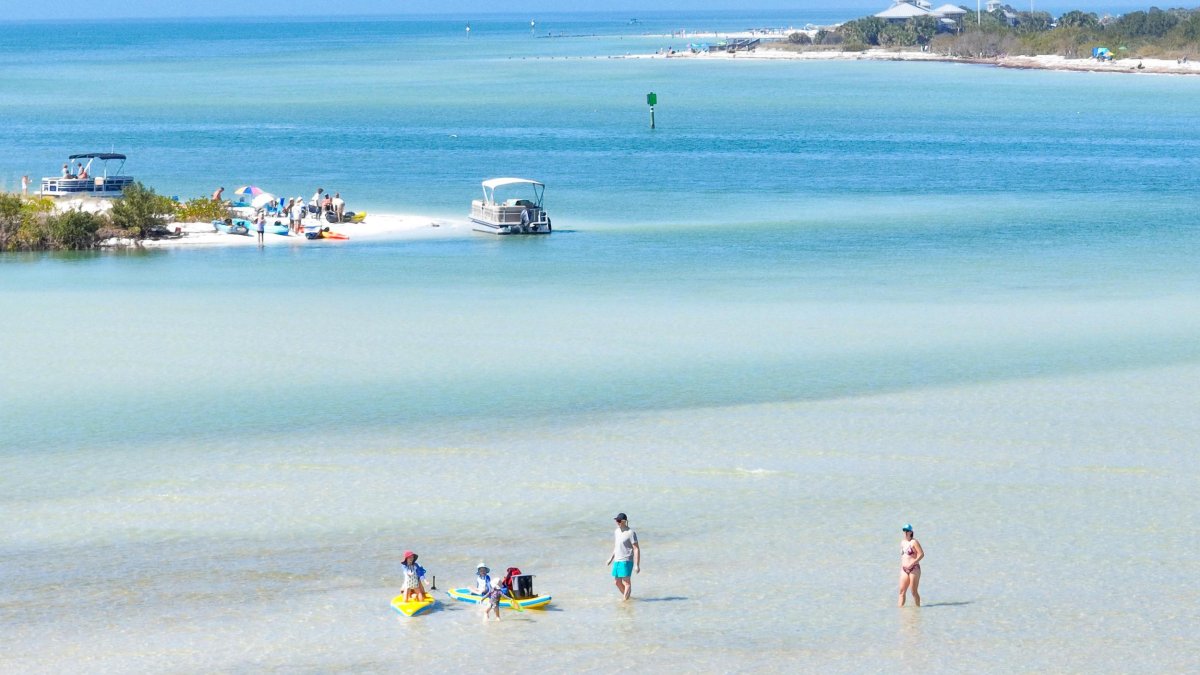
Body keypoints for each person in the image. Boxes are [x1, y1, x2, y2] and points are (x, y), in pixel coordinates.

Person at [605, 512, 640, 600]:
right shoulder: (616, 531)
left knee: (626, 582)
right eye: (616, 520)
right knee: (617, 582)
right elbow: (617, 546)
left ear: (624, 521)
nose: (617, 522)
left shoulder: (631, 533)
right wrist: (611, 558)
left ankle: (625, 601)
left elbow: (636, 549)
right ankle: (628, 598)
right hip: (617, 560)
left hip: (626, 560)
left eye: (619, 521)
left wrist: (637, 565)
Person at [898, 523, 924, 607]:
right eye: (904, 530)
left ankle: (918, 609)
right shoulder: (902, 542)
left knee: (913, 591)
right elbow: (904, 556)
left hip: (914, 568)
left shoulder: (914, 542)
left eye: (907, 531)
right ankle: (900, 611)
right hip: (904, 569)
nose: (905, 532)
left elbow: (921, 554)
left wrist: (912, 563)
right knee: (901, 591)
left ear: (911, 532)